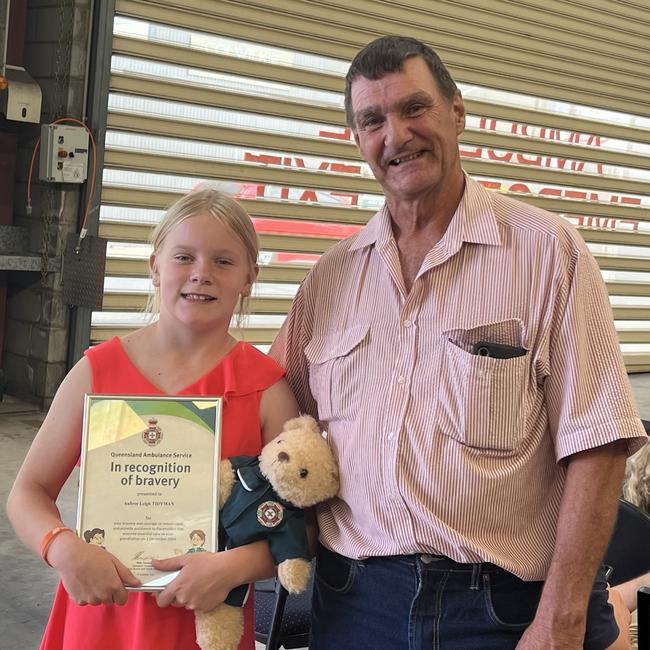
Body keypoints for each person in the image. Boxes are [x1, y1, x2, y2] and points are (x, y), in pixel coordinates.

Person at [270, 35, 648, 649]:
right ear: (358, 139)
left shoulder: (546, 252)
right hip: (352, 605)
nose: (396, 135)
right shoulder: (329, 279)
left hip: (505, 610)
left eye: (414, 108)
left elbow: (599, 441)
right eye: (373, 120)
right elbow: (272, 412)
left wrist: (562, 618)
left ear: (457, 112)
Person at [6, 188, 299, 650]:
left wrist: (234, 568)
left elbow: (297, 525)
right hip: (101, 618)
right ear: (155, 267)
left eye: (223, 262)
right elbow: (28, 492)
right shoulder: (96, 373)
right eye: (184, 256)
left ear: (249, 277)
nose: (201, 274)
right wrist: (61, 547)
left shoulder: (265, 389)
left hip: (205, 625)